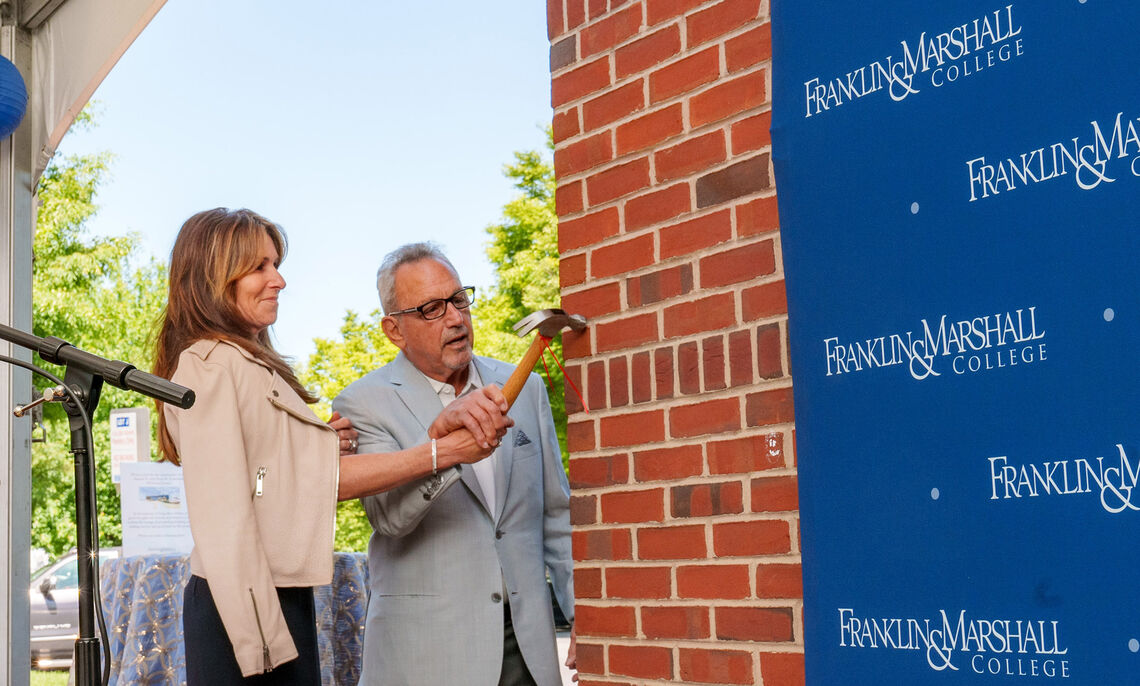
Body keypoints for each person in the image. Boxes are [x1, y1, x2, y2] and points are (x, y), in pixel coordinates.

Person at [153, 209, 510, 685]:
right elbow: (224, 517)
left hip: (278, 595)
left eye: (275, 264)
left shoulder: (245, 363)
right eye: (259, 266)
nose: (278, 279)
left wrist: (318, 448)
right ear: (214, 277)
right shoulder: (209, 365)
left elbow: (273, 482)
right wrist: (444, 452)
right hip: (244, 604)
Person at [332, 243, 576, 686]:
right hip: (425, 657)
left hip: (528, 648)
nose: (455, 318)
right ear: (394, 330)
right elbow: (389, 520)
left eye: (459, 299)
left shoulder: (527, 387)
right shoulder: (363, 403)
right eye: (431, 308)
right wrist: (445, 449)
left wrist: (581, 616)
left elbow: (556, 514)